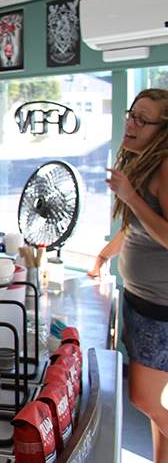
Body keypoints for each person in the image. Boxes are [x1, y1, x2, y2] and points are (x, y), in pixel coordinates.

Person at [88, 88, 168, 462]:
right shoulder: (142, 164)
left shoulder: (165, 166)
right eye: (130, 114)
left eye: (143, 119)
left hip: (159, 310)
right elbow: (136, 228)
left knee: (145, 399)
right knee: (156, 406)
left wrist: (131, 195)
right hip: (140, 301)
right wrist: (104, 256)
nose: (131, 123)